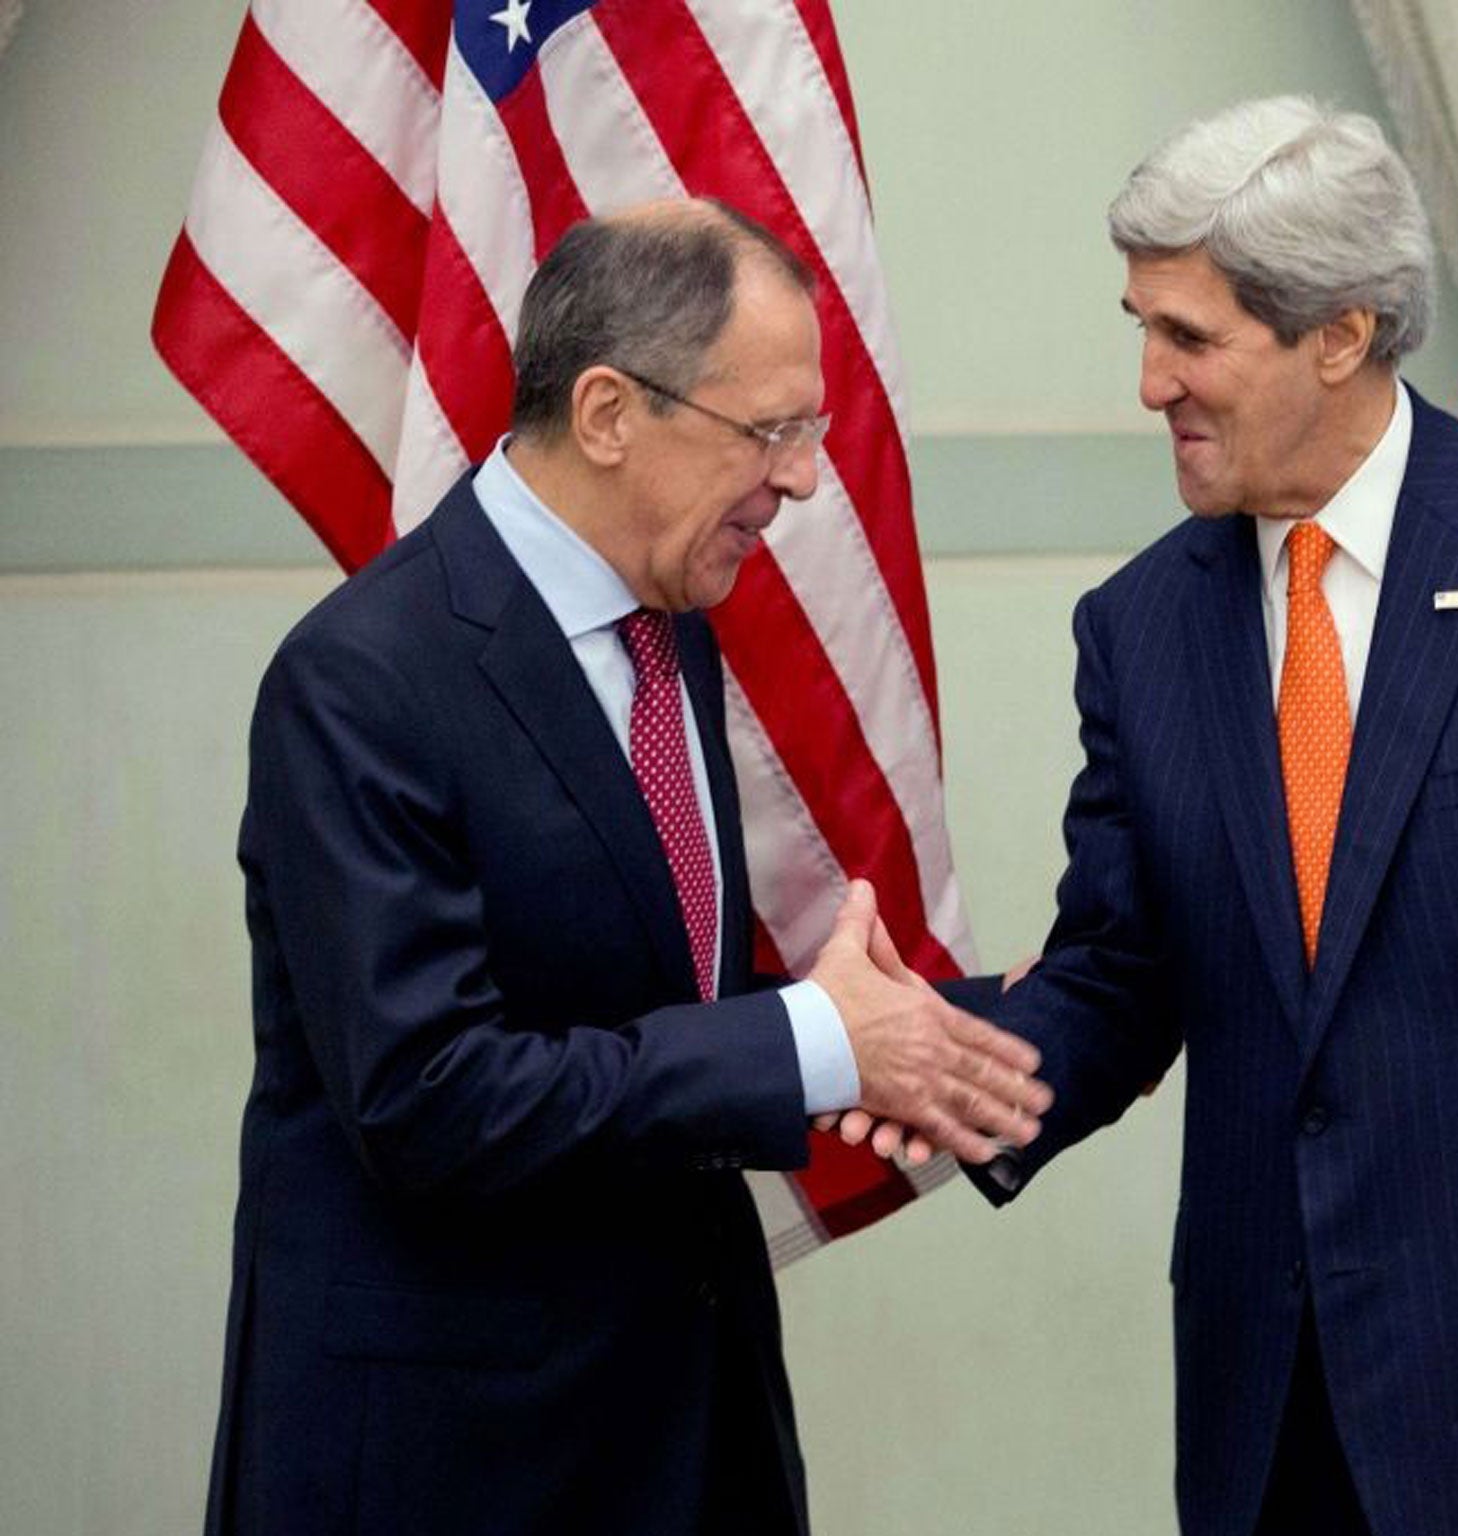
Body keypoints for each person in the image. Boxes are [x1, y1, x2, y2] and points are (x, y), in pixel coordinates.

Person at [851, 97, 1458, 1535]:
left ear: (1341, 337)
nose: (1148, 382)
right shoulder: (1141, 627)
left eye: (1191, 338)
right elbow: (1121, 972)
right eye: (1142, 326)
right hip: (1271, 1422)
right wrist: (944, 1062)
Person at [204, 199, 1048, 1536]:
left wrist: (936, 1029)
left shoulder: (667, 626)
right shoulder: (362, 681)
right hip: (460, 1461)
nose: (807, 480)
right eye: (770, 433)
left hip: (683, 1433)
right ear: (607, 413)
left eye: (810, 432)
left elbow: (623, 984)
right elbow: (431, 1098)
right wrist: (812, 1048)